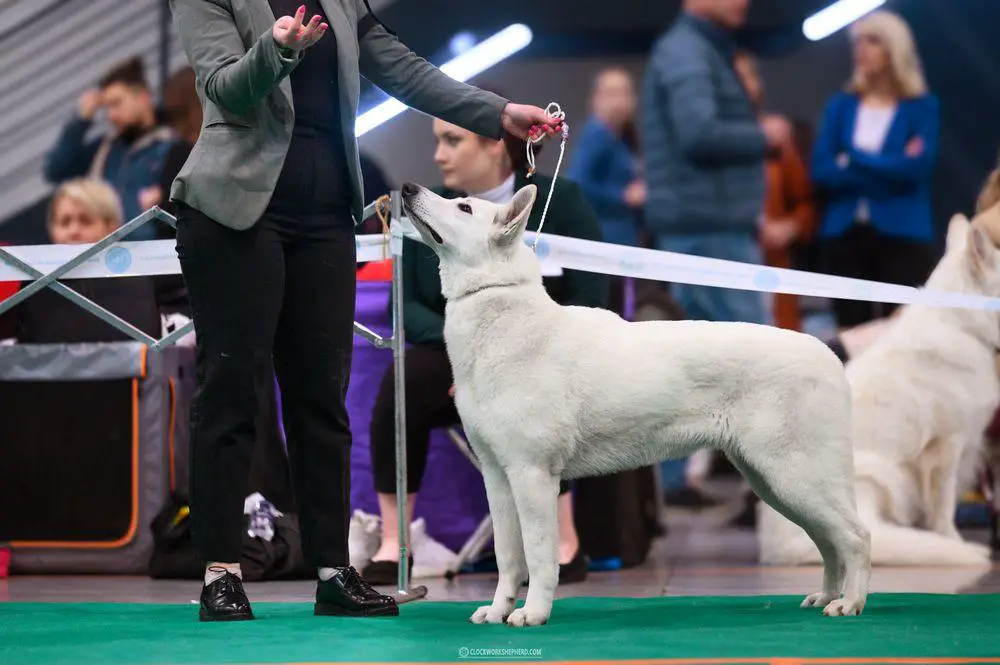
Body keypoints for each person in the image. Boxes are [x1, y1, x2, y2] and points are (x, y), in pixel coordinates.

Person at [168, 0, 565, 622]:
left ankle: (333, 571)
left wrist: (498, 114)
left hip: (325, 211)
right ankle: (220, 572)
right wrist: (278, 48)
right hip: (233, 211)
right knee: (231, 391)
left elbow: (405, 70)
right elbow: (222, 86)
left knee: (322, 398)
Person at [363, 111, 608, 586]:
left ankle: (564, 542)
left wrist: (513, 355)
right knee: (404, 381)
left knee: (545, 389)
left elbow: (592, 293)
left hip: (548, 351)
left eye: (452, 140)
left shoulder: (565, 201)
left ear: (497, 145)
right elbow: (408, 307)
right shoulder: (433, 207)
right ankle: (396, 543)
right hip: (453, 352)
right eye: (437, 141)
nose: (439, 155)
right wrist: (471, 357)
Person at [640, 0, 788, 507]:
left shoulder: (695, 49)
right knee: (754, 362)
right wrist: (764, 136)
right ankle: (776, 493)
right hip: (708, 234)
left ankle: (681, 484)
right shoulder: (688, 51)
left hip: (703, 229)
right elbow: (699, 132)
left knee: (690, 366)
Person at [812, 9, 939, 330]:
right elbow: (823, 170)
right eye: (857, 42)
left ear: (895, 48)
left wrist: (854, 158)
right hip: (845, 234)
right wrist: (889, 163)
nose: (861, 49)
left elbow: (915, 170)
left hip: (903, 236)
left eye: (873, 41)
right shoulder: (841, 105)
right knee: (853, 332)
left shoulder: (921, 108)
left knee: (902, 330)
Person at [43, 57, 175, 239]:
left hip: (148, 257)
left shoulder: (172, 148)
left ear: (144, 98)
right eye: (106, 107)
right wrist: (81, 120)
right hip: (103, 256)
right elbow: (55, 170)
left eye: (117, 103)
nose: (111, 115)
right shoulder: (105, 149)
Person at [733, 51, 817, 331]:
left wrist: (790, 227)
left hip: (773, 265)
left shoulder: (778, 138)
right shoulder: (705, 144)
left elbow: (807, 202)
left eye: (749, 76)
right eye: (735, 77)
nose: (744, 85)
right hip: (726, 261)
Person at [568, 67, 645, 317]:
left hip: (620, 244)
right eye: (611, 93)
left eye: (625, 92)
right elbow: (577, 183)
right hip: (605, 245)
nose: (620, 101)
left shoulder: (621, 136)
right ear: (596, 99)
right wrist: (623, 196)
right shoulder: (597, 133)